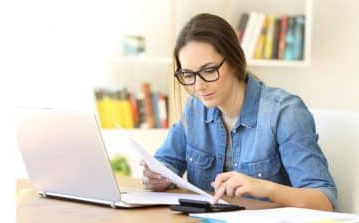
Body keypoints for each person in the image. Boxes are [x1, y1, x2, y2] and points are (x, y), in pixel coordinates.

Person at [140, 13, 337, 211]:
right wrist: (157, 177)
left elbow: (325, 201)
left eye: (209, 70)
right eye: (188, 74)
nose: (198, 86)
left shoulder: (284, 113)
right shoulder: (195, 108)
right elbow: (166, 164)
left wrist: (266, 188)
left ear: (234, 60)